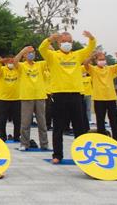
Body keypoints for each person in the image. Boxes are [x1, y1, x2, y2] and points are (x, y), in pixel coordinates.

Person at [38, 31, 96, 164]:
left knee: (79, 127)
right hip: (59, 95)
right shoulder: (52, 56)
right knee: (58, 127)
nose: (67, 44)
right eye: (64, 41)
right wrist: (49, 39)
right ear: (59, 43)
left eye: (69, 41)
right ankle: (57, 155)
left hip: (76, 95)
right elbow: (42, 49)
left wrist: (91, 38)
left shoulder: (77, 55)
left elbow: (90, 48)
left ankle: (82, 154)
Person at [14, 46, 49, 151]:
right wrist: (22, 51)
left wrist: (50, 49)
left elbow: (50, 59)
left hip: (40, 96)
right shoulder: (21, 66)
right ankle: (24, 144)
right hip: (27, 96)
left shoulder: (40, 65)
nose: (31, 54)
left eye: (33, 52)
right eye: (28, 52)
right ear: (24, 55)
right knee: (25, 122)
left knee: (42, 122)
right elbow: (15, 61)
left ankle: (44, 144)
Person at [84, 51, 117, 142]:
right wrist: (92, 56)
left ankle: (116, 137)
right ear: (96, 61)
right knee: (100, 119)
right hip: (99, 98)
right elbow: (85, 64)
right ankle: (102, 137)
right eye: (100, 59)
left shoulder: (110, 69)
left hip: (111, 97)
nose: (102, 61)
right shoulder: (93, 69)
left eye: (103, 59)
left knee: (114, 119)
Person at [0, 56, 20, 142]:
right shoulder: (2, 70)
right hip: (4, 99)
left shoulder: (17, 69)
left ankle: (17, 136)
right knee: (2, 119)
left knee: (17, 120)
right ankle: (2, 136)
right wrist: (0, 62)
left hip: (16, 98)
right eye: (9, 61)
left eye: (12, 61)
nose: (11, 63)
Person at [81, 66, 93, 132]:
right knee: (82, 109)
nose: (84, 74)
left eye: (85, 73)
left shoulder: (89, 78)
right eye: (82, 73)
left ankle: (89, 119)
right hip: (82, 94)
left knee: (88, 108)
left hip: (88, 94)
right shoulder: (79, 79)